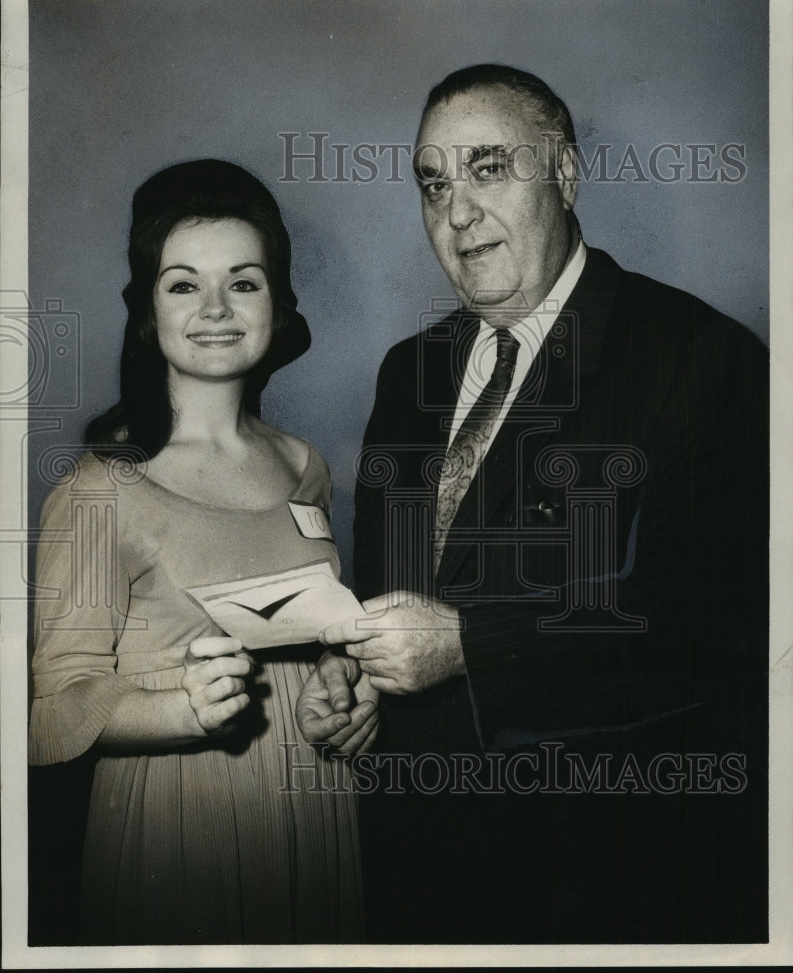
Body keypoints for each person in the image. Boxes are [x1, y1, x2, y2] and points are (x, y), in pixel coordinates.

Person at [297, 65, 769, 943]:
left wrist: (471, 644)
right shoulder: (411, 370)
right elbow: (390, 588)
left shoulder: (699, 356)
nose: (456, 212)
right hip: (413, 859)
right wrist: (353, 670)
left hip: (600, 875)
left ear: (566, 175)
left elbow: (715, 623)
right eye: (432, 183)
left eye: (487, 169)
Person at [28, 159, 377, 945]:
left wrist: (344, 684)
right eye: (184, 284)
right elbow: (46, 716)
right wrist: (178, 711)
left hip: (318, 809)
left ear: (276, 304)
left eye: (243, 282)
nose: (216, 308)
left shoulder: (305, 466)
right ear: (148, 309)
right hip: (179, 824)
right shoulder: (99, 489)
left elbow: (318, 633)